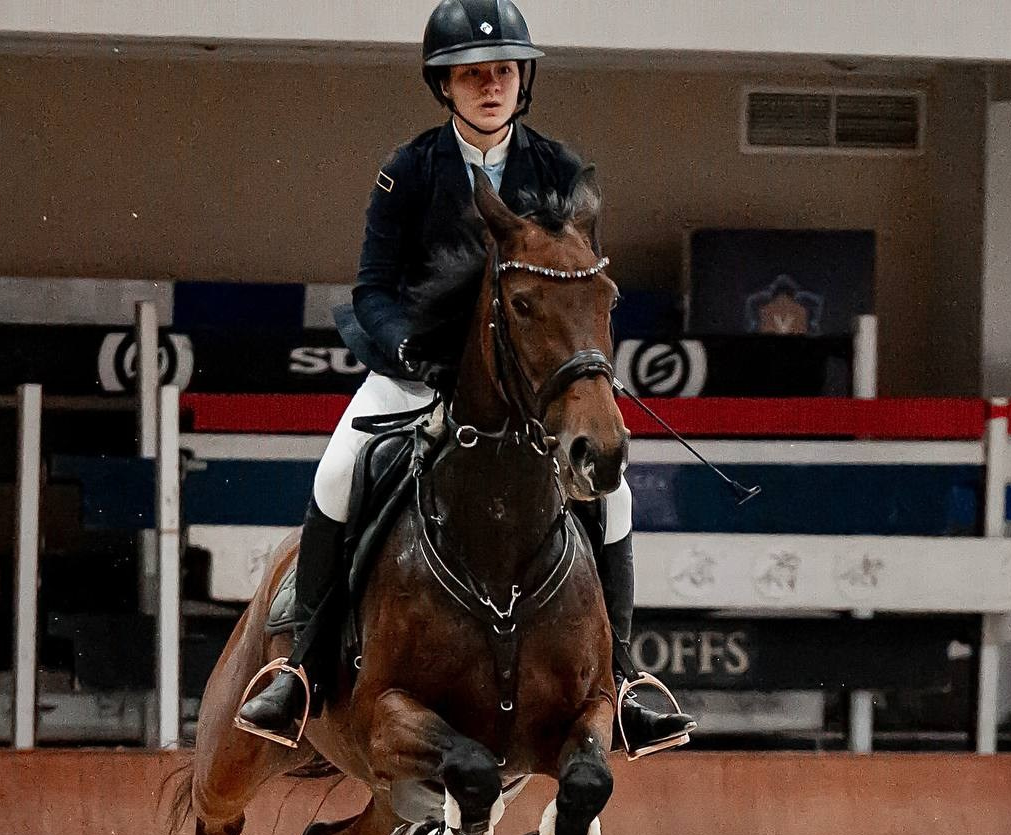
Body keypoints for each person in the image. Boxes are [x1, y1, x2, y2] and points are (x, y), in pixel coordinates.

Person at [235, 0, 694, 758]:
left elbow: (579, 282)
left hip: (525, 386)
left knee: (612, 496)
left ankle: (627, 679)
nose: (491, 87)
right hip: (419, 371)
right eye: (473, 75)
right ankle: (303, 672)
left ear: (523, 83)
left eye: (504, 73)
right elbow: (372, 288)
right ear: (444, 87)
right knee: (339, 470)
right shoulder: (409, 171)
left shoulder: (560, 170)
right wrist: (410, 350)